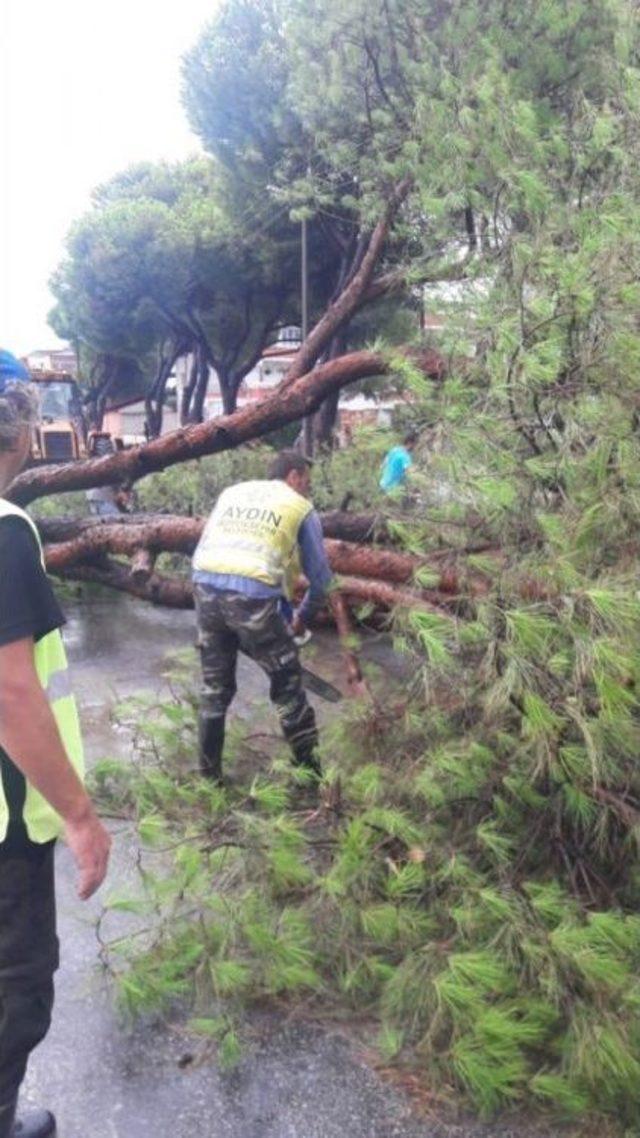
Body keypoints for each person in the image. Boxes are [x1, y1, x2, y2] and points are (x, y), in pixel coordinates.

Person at [0, 353, 111, 1138]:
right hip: (5, 826)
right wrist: (78, 814)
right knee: (17, 986)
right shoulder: (5, 532)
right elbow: (11, 691)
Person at [192, 449, 332, 783]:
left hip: (203, 586)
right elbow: (323, 581)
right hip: (251, 595)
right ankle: (311, 781)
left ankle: (208, 779)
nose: (307, 490)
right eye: (307, 482)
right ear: (294, 476)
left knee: (215, 689)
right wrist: (301, 618)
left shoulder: (233, 492)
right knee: (288, 688)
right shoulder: (300, 507)